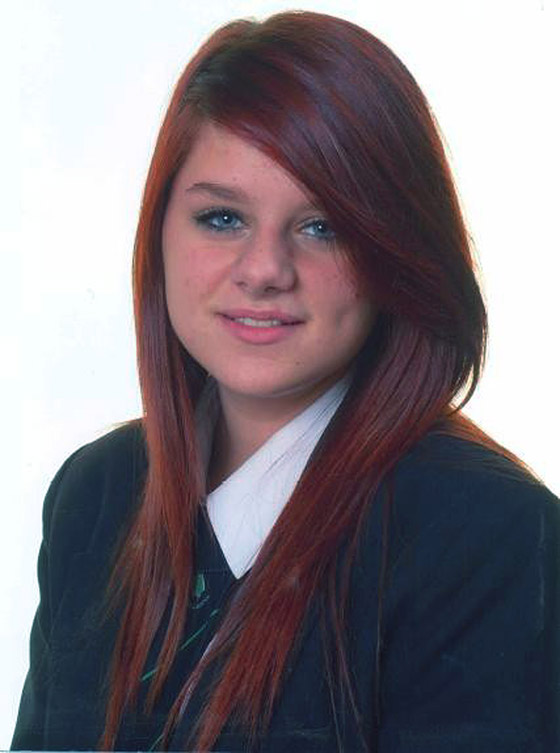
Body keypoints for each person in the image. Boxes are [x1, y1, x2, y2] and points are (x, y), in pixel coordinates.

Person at [12, 10, 559, 753]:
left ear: (399, 253)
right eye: (222, 218)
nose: (265, 269)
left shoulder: (492, 536)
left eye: (323, 226)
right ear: (160, 230)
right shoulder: (95, 494)